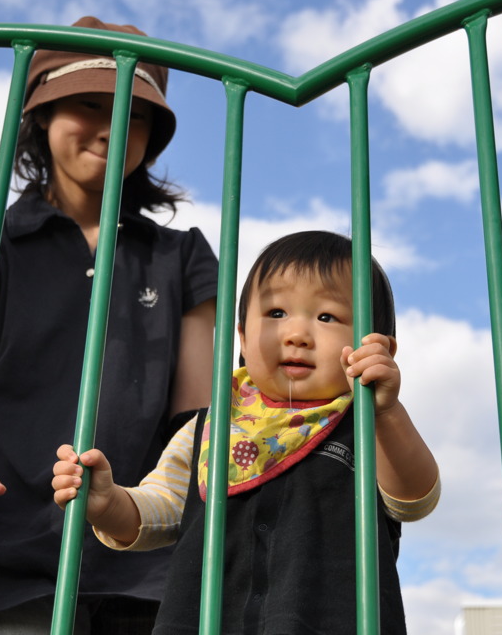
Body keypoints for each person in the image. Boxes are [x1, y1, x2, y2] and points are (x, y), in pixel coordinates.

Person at [0, 16, 218, 633]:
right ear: (41, 117)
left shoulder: (181, 255)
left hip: (146, 567)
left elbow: (197, 426)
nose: (109, 128)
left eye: (133, 113)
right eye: (85, 104)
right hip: (0, 563)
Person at [53, 231, 440, 634]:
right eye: (275, 313)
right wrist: (108, 503)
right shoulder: (210, 427)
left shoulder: (370, 425)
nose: (296, 334)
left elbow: (414, 499)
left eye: (326, 317)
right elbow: (160, 509)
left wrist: (388, 414)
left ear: (378, 348)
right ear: (241, 336)